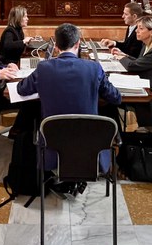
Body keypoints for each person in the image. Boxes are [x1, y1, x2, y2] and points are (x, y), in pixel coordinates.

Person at [17, 22, 121, 172]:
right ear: (78, 44)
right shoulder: (94, 68)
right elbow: (116, 98)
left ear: (56, 45)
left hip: (54, 142)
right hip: (90, 143)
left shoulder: (43, 67)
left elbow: (22, 89)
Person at [111, 15, 152, 127]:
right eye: (137, 27)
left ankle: (115, 130)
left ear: (151, 32)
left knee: (110, 97)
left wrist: (121, 58)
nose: (136, 31)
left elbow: (132, 66)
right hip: (142, 83)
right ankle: (116, 129)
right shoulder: (147, 45)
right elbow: (140, 62)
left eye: (141, 28)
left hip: (151, 92)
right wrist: (125, 55)